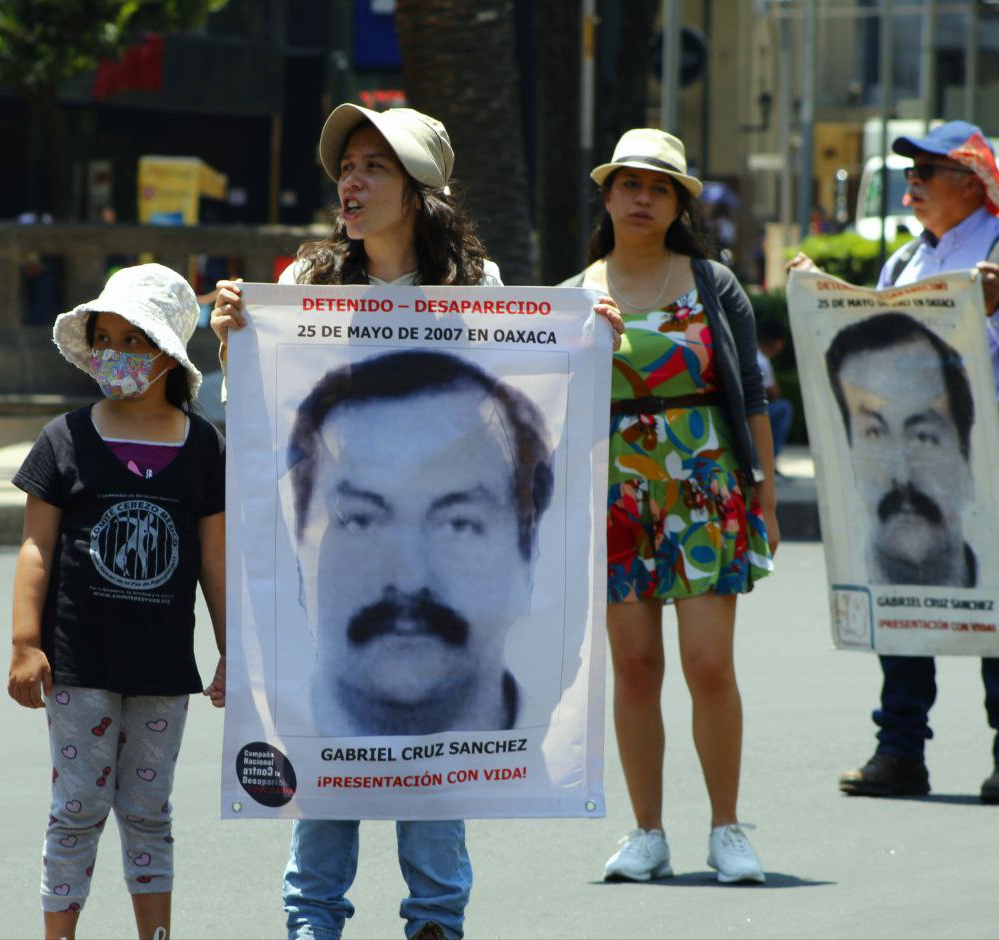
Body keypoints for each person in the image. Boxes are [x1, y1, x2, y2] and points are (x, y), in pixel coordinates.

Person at [211, 102, 623, 940]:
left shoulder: (481, 292)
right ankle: (311, 926)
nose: (350, 184)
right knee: (326, 756)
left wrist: (586, 348)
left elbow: (529, 413)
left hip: (444, 586)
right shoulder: (303, 289)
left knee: (437, 756)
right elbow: (265, 424)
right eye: (346, 169)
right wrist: (234, 345)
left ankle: (436, 923)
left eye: (373, 168)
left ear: (418, 189)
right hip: (328, 567)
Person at [559, 128, 778, 884]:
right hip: (619, 494)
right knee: (637, 667)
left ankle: (728, 829)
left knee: (709, 664)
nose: (641, 197)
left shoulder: (714, 282)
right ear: (608, 194)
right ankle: (647, 832)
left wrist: (766, 497)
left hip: (705, 486)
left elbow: (751, 396)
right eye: (629, 183)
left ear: (679, 202)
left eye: (658, 187)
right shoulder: (576, 292)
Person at [8, 263, 227, 939]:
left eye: (133, 340)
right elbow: (36, 550)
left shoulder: (203, 449)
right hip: (80, 665)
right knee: (76, 807)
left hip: (163, 672)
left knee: (148, 811)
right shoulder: (64, 440)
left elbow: (214, 561)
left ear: (167, 353)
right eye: (104, 337)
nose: (115, 354)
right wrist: (25, 642)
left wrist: (233, 650)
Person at [789, 120, 999, 803]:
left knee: (993, 600)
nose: (912, 181)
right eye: (910, 170)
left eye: (926, 171)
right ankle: (900, 748)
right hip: (914, 455)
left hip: (985, 463)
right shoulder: (904, 263)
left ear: (971, 184)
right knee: (903, 590)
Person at [286, 348, 553, 736]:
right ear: (298, 542)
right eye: (360, 520)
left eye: (459, 525)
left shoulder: (556, 776)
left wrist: (593, 347)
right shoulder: (279, 781)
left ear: (528, 554)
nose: (408, 578)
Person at [826, 311, 976, 588]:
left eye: (923, 438)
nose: (901, 474)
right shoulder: (896, 268)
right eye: (874, 433)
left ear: (966, 454)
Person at [756, 319, 793, 463]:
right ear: (778, 343)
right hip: (752, 412)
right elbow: (774, 394)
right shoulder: (762, 361)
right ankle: (770, 460)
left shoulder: (747, 353)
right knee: (784, 407)